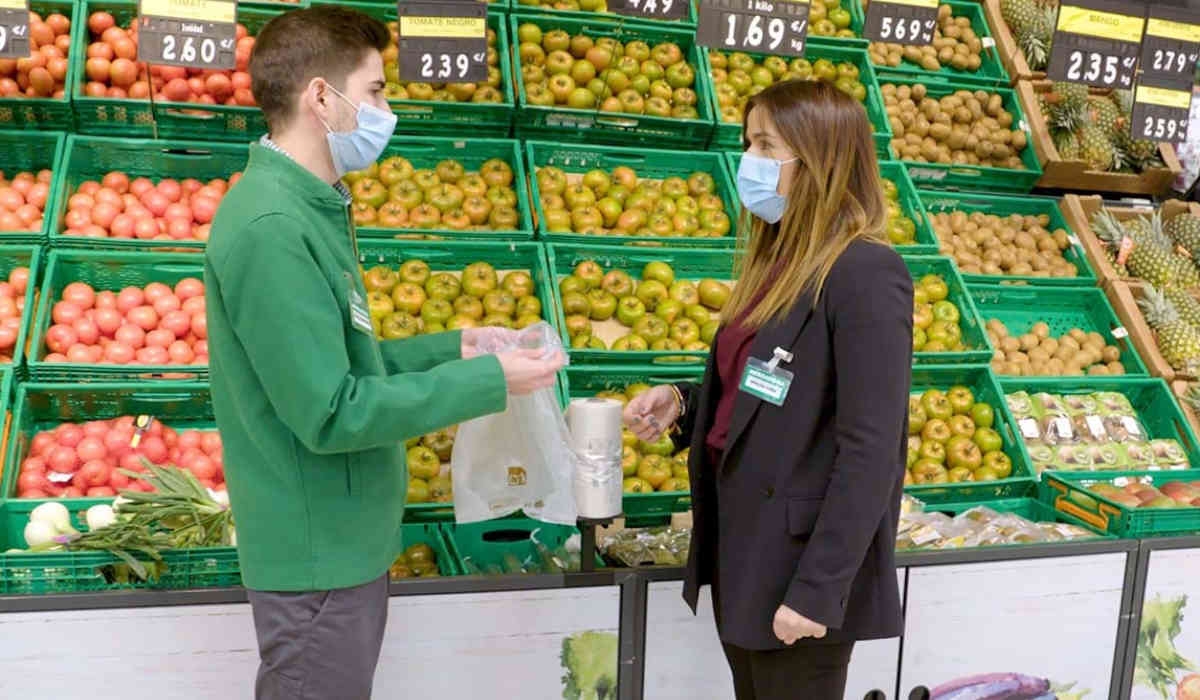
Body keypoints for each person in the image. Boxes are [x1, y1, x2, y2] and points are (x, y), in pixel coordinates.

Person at [203, 6, 564, 699]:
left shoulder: (310, 205)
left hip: (341, 540)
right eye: (374, 91)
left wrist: (453, 347)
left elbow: (343, 362)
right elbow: (332, 412)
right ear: (319, 97)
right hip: (317, 552)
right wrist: (487, 381)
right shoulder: (273, 226)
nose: (385, 109)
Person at [623, 80, 913, 700]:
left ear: (818, 159)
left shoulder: (865, 272)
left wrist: (818, 589)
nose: (748, 161)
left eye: (764, 145)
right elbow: (767, 385)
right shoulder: (777, 261)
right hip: (746, 547)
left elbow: (872, 449)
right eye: (747, 142)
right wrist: (683, 400)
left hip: (798, 566)